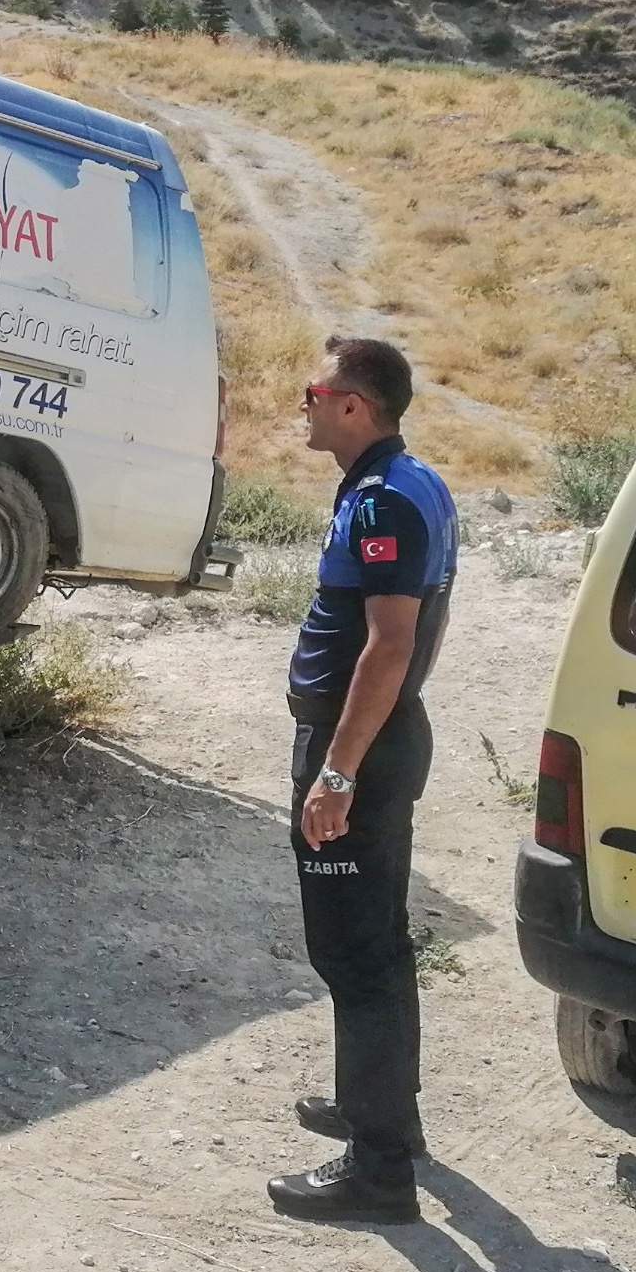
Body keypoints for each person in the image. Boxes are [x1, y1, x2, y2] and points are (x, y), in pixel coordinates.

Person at [267, 335, 457, 1226]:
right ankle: (384, 1115)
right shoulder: (409, 482)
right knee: (377, 940)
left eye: (314, 391)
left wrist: (336, 772)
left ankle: (379, 1173)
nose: (302, 404)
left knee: (354, 953)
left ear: (354, 405)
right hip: (380, 739)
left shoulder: (384, 502)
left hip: (361, 747)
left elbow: (389, 646)